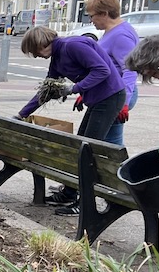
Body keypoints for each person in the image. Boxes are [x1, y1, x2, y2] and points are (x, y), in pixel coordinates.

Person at [18, 26, 126, 216]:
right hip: (98, 99)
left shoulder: (73, 46)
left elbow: (102, 70)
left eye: (35, 51)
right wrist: (22, 114)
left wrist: (75, 88)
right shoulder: (57, 58)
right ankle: (70, 192)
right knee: (80, 145)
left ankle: (85, 203)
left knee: (88, 150)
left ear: (42, 43)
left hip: (110, 97)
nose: (36, 56)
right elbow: (47, 90)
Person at [84, 0, 138, 145]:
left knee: (110, 142)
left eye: (92, 16)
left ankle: (120, 168)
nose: (91, 20)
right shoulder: (114, 31)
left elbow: (130, 70)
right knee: (111, 141)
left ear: (104, 14)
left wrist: (124, 103)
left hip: (117, 95)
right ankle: (118, 167)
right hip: (109, 94)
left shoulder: (121, 35)